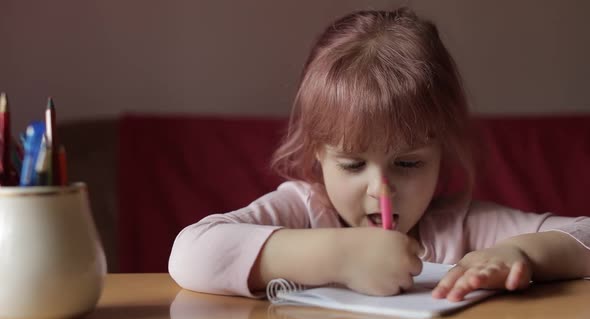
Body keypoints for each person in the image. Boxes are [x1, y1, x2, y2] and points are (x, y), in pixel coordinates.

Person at [168, 8, 590, 302]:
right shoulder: (303, 209)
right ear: (318, 152)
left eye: (408, 163)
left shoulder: (460, 227)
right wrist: (341, 255)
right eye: (352, 164)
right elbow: (189, 254)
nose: (380, 190)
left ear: (442, 153)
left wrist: (520, 255)